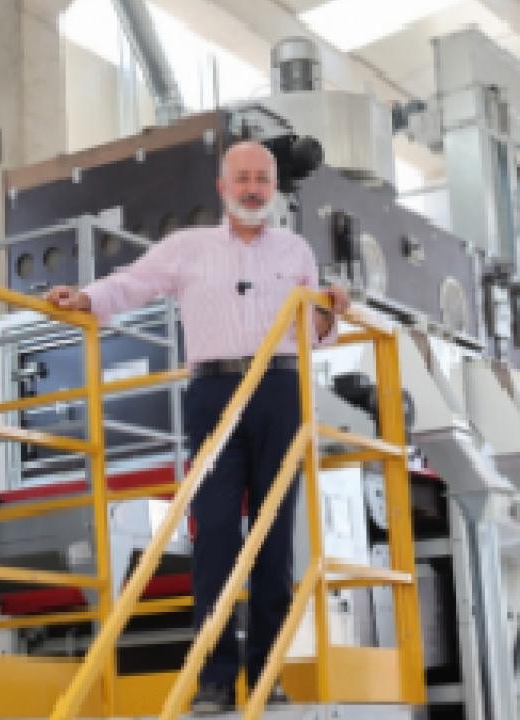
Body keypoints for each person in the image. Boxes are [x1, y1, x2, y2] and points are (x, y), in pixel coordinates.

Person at [44, 140, 350, 714]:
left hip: (280, 390)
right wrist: (84, 297)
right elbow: (131, 282)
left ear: (274, 187)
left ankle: (267, 674)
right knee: (214, 532)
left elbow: (313, 330)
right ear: (222, 187)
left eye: (262, 179)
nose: (253, 189)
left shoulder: (296, 251)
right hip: (214, 392)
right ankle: (215, 679)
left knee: (275, 536)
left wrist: (332, 311)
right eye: (243, 178)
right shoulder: (188, 248)